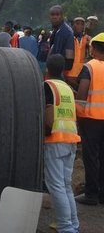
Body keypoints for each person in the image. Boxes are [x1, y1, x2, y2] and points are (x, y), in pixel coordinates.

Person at [43, 54, 81, 233]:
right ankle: (72, 224)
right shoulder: (67, 88)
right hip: (71, 139)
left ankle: (66, 227)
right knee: (65, 185)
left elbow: (48, 112)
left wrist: (44, 133)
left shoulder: (48, 86)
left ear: (47, 69)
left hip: (55, 139)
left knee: (56, 185)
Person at [74, 33, 104, 206]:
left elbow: (83, 89)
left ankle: (91, 193)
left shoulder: (90, 67)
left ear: (93, 48)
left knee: (91, 156)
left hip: (91, 119)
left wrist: (78, 112)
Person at [64, 17, 90, 88]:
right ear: (72, 25)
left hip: (81, 74)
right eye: (77, 24)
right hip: (68, 73)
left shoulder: (87, 38)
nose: (80, 26)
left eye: (82, 24)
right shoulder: (68, 37)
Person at [48, 5, 75, 77]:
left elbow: (69, 56)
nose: (55, 17)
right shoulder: (56, 31)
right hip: (54, 69)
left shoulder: (66, 32)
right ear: (49, 17)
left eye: (57, 14)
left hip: (61, 72)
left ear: (62, 16)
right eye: (52, 14)